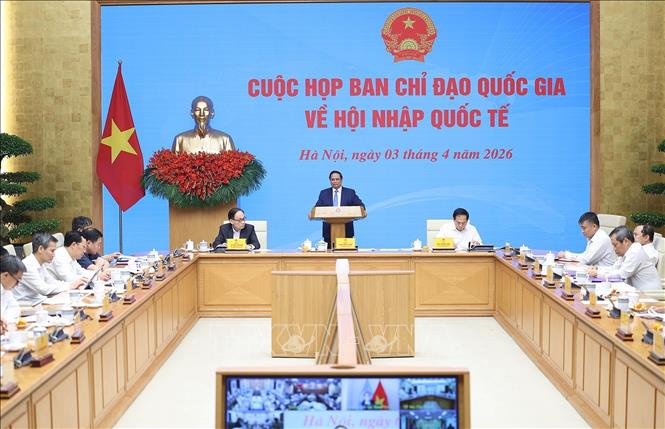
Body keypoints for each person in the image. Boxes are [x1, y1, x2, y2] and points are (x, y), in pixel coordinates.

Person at [12, 233, 86, 305]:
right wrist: (69, 286)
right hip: (27, 306)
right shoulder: (28, 265)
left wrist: (72, 285)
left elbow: (51, 281)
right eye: (52, 251)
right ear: (40, 249)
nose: (54, 254)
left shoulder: (40, 263)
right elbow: (44, 289)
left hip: (38, 301)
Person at [588, 226, 660, 291]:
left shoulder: (636, 252)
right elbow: (614, 268)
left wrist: (598, 273)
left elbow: (621, 276)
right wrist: (597, 269)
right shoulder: (627, 251)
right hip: (636, 291)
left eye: (615, 245)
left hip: (649, 294)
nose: (613, 249)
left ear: (626, 241)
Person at [313, 170, 365, 247]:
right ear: (330, 181)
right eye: (332, 179)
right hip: (328, 232)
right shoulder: (324, 193)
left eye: (337, 179)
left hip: (347, 230)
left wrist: (356, 214)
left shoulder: (350, 192)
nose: (335, 181)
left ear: (341, 180)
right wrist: (312, 213)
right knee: (329, 253)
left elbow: (361, 206)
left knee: (346, 253)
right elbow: (316, 209)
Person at [172, 96, 236, 154]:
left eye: (206, 110)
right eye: (197, 110)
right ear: (192, 113)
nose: (202, 114)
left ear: (212, 113)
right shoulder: (180, 140)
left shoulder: (225, 140)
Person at [1, 255, 26, 334]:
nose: (17, 285)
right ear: (5, 275)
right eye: (17, 280)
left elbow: (15, 308)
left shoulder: (6, 290)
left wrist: (5, 321)